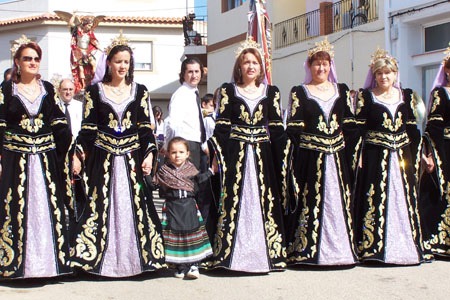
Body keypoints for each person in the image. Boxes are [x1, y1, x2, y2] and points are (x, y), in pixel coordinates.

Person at [70, 32, 165, 277]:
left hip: (132, 159)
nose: (123, 66)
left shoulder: (140, 91)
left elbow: (145, 128)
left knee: (136, 208)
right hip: (104, 161)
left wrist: (149, 154)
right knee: (101, 208)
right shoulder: (94, 92)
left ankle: (136, 261)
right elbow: (88, 128)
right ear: (109, 63)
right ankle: (100, 260)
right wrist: (78, 154)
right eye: (118, 61)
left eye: (127, 61)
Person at [204, 38, 287, 273]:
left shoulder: (271, 92)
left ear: (261, 67)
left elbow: (277, 127)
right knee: (234, 202)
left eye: (255, 62)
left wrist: (288, 154)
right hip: (236, 155)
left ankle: (265, 253)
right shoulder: (229, 91)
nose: (251, 66)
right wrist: (216, 156)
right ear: (239, 67)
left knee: (264, 202)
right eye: (246, 62)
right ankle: (233, 253)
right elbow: (222, 126)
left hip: (262, 156)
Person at [0, 35, 72, 279]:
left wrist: (66, 149)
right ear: (17, 62)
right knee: (15, 209)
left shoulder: (48, 89)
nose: (32, 62)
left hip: (44, 160)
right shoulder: (5, 91)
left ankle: (47, 264)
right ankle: (15, 265)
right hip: (15, 160)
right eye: (27, 58)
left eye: (36, 59)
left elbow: (59, 122)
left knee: (46, 209)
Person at [284, 37, 359, 266]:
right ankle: (308, 250)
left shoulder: (342, 90)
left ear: (330, 66)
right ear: (310, 66)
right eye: (317, 63)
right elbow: (294, 128)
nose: (321, 68)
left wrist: (353, 152)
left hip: (337, 158)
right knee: (311, 201)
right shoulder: (300, 91)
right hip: (311, 158)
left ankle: (340, 250)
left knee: (338, 201)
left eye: (325, 63)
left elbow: (350, 126)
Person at [354, 47, 431, 264]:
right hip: (375, 157)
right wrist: (358, 154)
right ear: (374, 75)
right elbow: (359, 129)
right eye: (379, 73)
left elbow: (411, 130)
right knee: (376, 197)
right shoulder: (366, 97)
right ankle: (374, 247)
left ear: (395, 74)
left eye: (387, 72)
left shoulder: (405, 95)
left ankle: (405, 244)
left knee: (402, 198)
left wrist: (422, 155)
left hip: (401, 157)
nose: (383, 77)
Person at [154, 136, 214, 279]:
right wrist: (145, 175)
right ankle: (180, 266)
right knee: (176, 235)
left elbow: (199, 181)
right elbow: (154, 184)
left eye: (181, 152)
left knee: (191, 233)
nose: (177, 155)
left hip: (189, 205)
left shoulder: (191, 169)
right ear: (168, 154)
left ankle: (194, 265)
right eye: (174, 152)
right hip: (172, 206)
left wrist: (211, 172)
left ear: (187, 154)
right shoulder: (164, 171)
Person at [419, 45, 450, 258]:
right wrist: (432, 154)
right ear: (447, 70)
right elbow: (433, 126)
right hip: (446, 148)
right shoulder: (441, 93)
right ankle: (440, 240)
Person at [164, 57, 206, 170]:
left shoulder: (193, 93)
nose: (194, 75)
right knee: (187, 184)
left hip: (195, 145)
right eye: (190, 72)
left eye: (197, 71)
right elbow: (172, 124)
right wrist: (170, 146)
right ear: (183, 74)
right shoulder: (181, 94)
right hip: (186, 145)